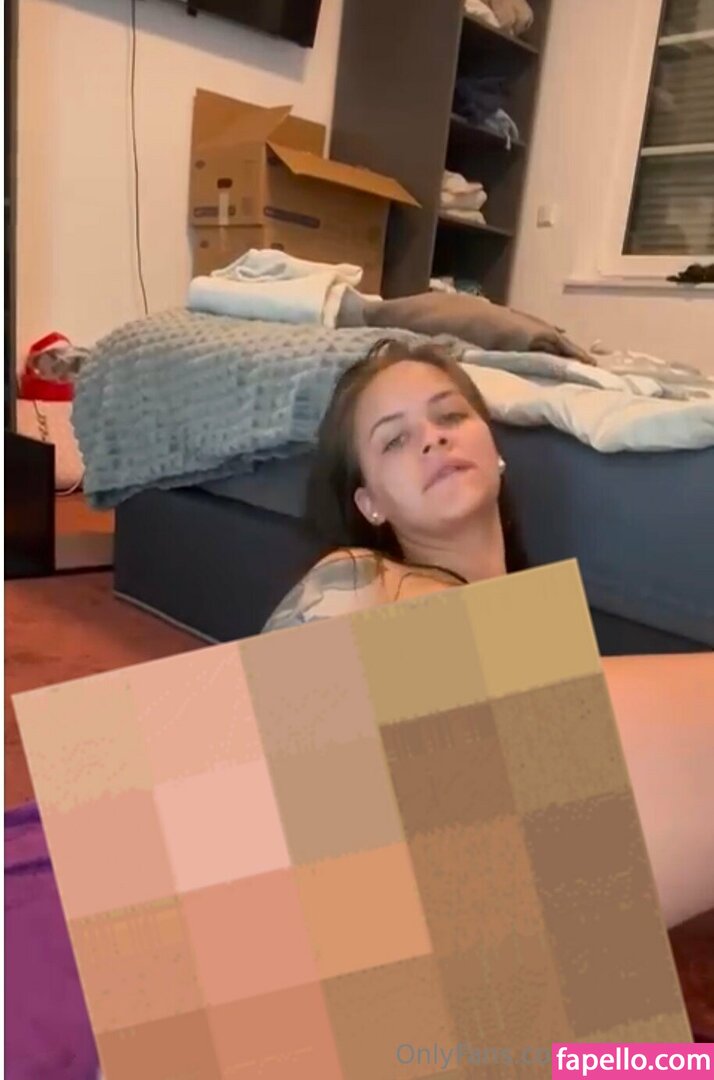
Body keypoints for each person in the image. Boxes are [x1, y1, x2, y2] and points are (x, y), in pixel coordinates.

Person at [262, 338, 714, 930]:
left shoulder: (535, 635)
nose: (433, 438)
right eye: (394, 440)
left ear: (494, 449)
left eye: (450, 416)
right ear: (370, 504)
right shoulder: (353, 576)